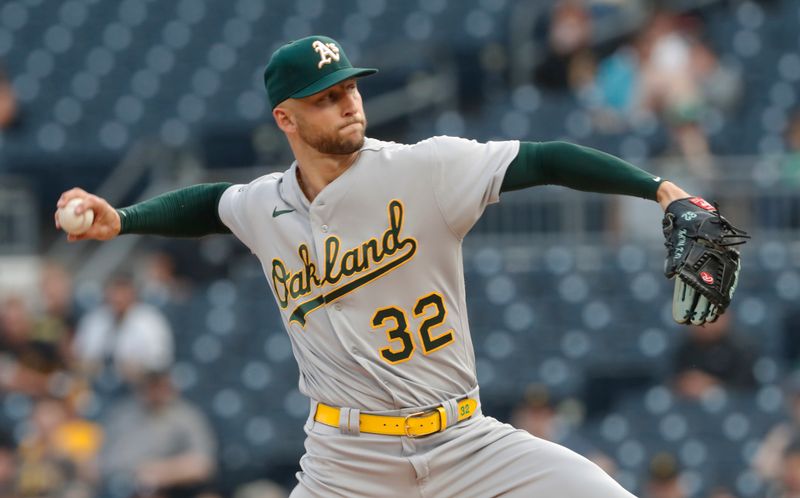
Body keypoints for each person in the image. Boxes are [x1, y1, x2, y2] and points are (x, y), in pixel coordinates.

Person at [55, 35, 734, 497]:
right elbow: (212, 204)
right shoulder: (265, 204)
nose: (347, 102)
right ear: (285, 118)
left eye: (348, 87)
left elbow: (546, 156)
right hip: (345, 462)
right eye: (325, 97)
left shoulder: (423, 168)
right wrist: (126, 219)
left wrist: (659, 189)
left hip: (464, 440)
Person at [97, 370, 217, 498]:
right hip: (122, 485)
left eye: (161, 386)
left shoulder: (187, 416)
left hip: (173, 488)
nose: (156, 392)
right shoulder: (122, 414)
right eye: (151, 386)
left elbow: (202, 465)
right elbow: (102, 460)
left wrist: (159, 472)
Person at [72, 272, 174, 388]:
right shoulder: (94, 319)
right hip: (97, 386)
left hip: (138, 389)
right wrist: (92, 366)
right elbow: (79, 359)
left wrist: (139, 368)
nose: (118, 297)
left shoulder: (150, 320)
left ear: (133, 293)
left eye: (123, 291)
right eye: (114, 291)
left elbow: (161, 362)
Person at [671, 312, 756, 400]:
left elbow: (745, 391)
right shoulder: (685, 349)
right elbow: (672, 382)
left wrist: (712, 385)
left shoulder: (741, 349)